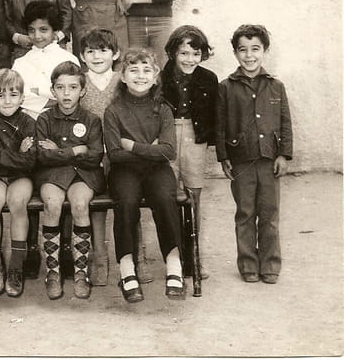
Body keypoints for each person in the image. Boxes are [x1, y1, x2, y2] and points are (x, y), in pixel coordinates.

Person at [104, 48, 184, 303]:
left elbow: (169, 151)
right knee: (126, 202)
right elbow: (115, 154)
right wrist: (151, 150)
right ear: (123, 76)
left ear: (156, 75)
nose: (140, 76)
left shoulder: (163, 109)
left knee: (165, 198)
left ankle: (174, 264)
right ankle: (127, 269)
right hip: (124, 171)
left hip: (157, 170)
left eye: (146, 70)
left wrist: (133, 146)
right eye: (133, 70)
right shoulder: (113, 110)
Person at [216, 24, 292, 285]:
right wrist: (224, 156)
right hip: (241, 160)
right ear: (235, 53)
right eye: (243, 50)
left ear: (265, 51)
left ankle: (270, 265)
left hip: (270, 160)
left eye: (255, 49)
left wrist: (284, 155)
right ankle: (248, 264)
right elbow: (220, 124)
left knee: (269, 214)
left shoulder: (276, 86)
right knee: (245, 213)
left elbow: (285, 122)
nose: (249, 56)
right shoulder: (226, 87)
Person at [35, 62, 105, 300]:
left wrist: (59, 151)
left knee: (80, 204)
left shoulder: (91, 120)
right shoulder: (44, 119)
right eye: (60, 87)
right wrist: (76, 150)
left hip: (84, 174)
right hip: (52, 175)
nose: (66, 93)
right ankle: (52, 272)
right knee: (52, 204)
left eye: (73, 87)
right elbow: (43, 156)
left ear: (82, 91)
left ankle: (81, 273)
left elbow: (95, 156)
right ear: (52, 90)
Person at [161, 25, 218, 280]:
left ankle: (194, 257)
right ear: (173, 53)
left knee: (193, 196)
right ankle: (174, 258)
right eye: (184, 53)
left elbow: (214, 114)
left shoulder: (208, 78)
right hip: (167, 135)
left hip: (195, 137)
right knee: (169, 194)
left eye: (196, 54)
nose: (190, 60)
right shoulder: (160, 77)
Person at [0, 68, 36, 298]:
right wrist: (16, 154)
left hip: (21, 177)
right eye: (0, 95)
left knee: (17, 203)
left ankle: (16, 268)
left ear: (22, 97)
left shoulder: (29, 122)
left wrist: (0, 156)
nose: (7, 101)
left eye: (13, 94)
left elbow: (30, 162)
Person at [77, 28, 122, 286]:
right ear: (82, 56)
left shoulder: (122, 80)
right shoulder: (80, 81)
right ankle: (100, 258)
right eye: (90, 51)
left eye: (103, 50)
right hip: (91, 155)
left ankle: (137, 257)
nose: (97, 56)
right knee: (96, 206)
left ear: (115, 54)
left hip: (119, 154)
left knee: (127, 202)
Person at [11, 0, 80, 117]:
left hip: (64, 118)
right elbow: (19, 97)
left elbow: (74, 93)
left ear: (55, 30)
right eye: (31, 30)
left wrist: (37, 92)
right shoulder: (20, 63)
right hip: (30, 119)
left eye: (43, 29)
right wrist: (54, 99)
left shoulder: (68, 59)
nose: (37, 36)